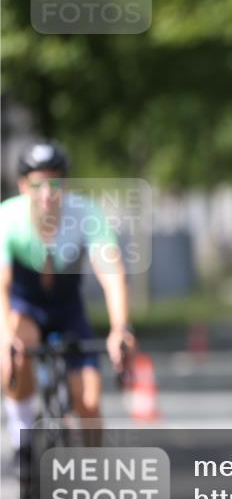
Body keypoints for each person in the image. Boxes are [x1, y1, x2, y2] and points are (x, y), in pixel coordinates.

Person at [1, 142, 136, 455]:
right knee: (16, 354)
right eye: (37, 185)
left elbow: (113, 274)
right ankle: (22, 438)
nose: (47, 194)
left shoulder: (86, 214)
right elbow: (2, 285)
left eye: (55, 183)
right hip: (25, 308)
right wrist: (6, 336)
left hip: (68, 311)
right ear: (23, 186)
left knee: (88, 401)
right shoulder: (7, 218)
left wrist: (120, 328)